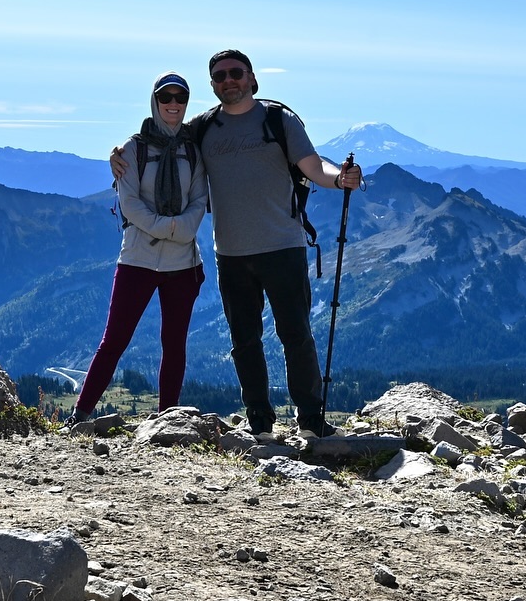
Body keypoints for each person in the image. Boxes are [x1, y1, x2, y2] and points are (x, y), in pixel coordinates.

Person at [113, 49, 361, 439]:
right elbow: (163, 135)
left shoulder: (279, 120)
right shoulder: (204, 127)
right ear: (213, 86)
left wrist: (340, 177)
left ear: (251, 78)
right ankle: (260, 422)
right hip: (231, 253)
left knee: (295, 334)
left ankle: (311, 419)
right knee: (244, 341)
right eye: (220, 76)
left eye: (235, 73)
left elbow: (313, 166)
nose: (228, 80)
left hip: (283, 245)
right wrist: (122, 152)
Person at [66, 72, 208, 427]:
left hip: (181, 265)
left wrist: (177, 228)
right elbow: (129, 204)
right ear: (155, 100)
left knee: (174, 344)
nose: (173, 104)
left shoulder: (194, 149)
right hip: (137, 261)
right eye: (166, 97)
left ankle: (168, 420)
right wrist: (171, 228)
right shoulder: (132, 149)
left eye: (180, 98)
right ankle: (80, 415)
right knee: (114, 340)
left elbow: (200, 200)